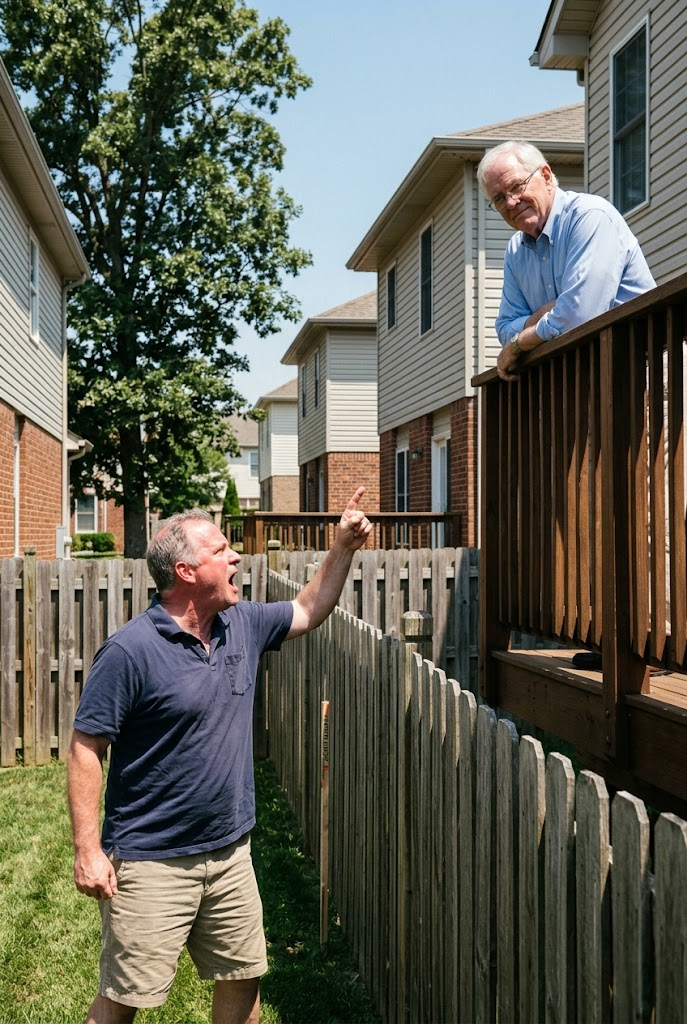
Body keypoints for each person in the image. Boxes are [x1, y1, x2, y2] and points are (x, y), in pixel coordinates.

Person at [67, 488, 372, 1024]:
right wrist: (88, 850)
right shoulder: (130, 652)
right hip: (150, 858)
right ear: (186, 572)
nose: (236, 558)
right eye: (222, 551)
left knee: (242, 979)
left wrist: (343, 546)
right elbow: (87, 747)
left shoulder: (242, 626)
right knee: (122, 999)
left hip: (230, 853)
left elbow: (307, 608)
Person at [476, 139, 656, 381]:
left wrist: (519, 343)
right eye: (498, 198)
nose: (510, 202)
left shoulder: (590, 216)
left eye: (517, 186)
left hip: (646, 369)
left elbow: (580, 317)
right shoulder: (515, 250)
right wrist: (545, 314)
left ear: (546, 176)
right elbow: (504, 329)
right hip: (581, 380)